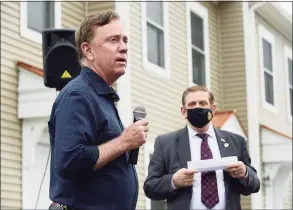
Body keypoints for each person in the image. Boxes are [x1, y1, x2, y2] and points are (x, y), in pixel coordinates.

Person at [48, 11, 149, 210]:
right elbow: (70, 161)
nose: (124, 47)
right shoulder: (78, 95)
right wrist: (124, 142)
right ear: (88, 50)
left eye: (125, 40)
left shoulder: (99, 95)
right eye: (113, 40)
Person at [143, 85, 260, 210]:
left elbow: (254, 185)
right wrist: (174, 181)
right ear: (183, 111)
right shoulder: (166, 143)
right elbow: (150, 187)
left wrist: (245, 173)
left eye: (203, 103)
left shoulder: (235, 141)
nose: (198, 107)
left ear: (213, 109)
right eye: (192, 104)